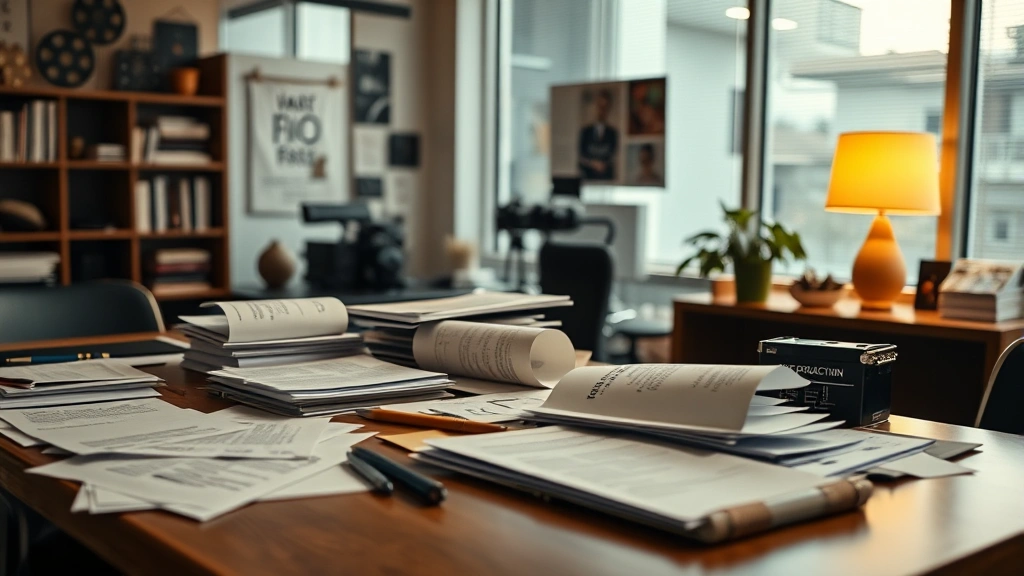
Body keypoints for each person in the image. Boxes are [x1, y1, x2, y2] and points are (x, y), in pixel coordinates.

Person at [578, 90, 618, 180]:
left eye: (605, 107)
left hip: (606, 179)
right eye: (599, 106)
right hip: (588, 178)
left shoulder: (612, 133)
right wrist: (593, 163)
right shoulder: (585, 131)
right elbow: (581, 156)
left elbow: (613, 156)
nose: (601, 110)